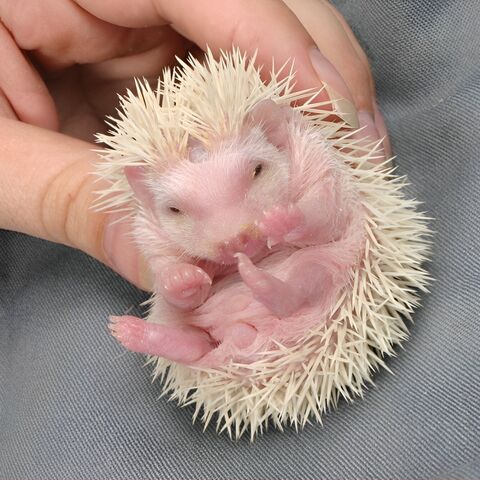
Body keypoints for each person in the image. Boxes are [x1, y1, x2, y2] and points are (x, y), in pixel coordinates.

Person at [0, 0, 387, 291]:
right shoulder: (138, 201)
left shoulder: (301, 153)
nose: (233, 235)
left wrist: (305, 218)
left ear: (275, 133)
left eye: (256, 171)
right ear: (142, 193)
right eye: (176, 208)